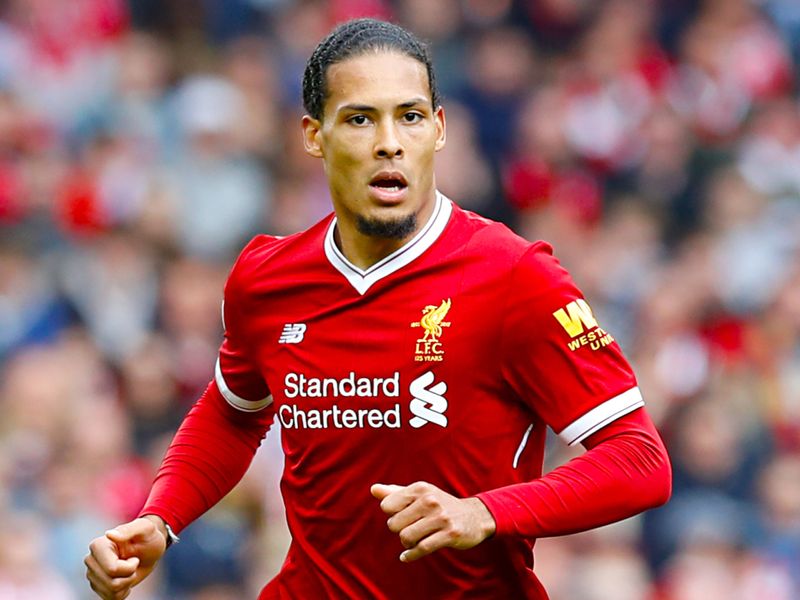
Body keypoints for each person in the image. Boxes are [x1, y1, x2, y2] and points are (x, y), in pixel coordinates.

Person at [85, 18, 671, 599]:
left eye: (409, 116)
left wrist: (483, 512)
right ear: (314, 135)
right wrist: (161, 517)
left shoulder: (514, 275)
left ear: (438, 129)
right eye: (360, 118)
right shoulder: (267, 277)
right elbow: (235, 411)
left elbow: (640, 460)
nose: (389, 141)